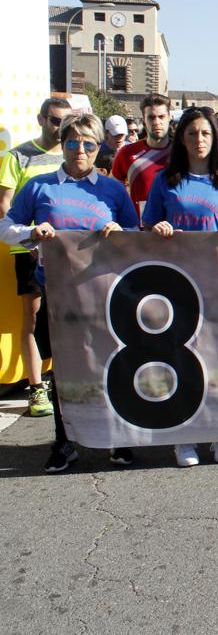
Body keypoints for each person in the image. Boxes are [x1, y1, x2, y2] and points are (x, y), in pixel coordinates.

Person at [0, 112, 139, 472]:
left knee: (108, 365)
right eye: (73, 142)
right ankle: (64, 440)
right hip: (57, 294)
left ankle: (117, 438)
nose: (80, 150)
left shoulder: (111, 189)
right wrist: (31, 232)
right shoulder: (40, 186)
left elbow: (136, 234)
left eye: (89, 144)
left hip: (103, 294)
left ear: (98, 148)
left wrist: (119, 232)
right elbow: (5, 226)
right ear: (62, 145)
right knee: (64, 372)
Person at [142, 107, 218, 466]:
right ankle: (184, 436)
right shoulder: (165, 180)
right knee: (181, 361)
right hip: (176, 285)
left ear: (215, 138)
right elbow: (147, 226)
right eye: (191, 134)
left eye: (205, 133)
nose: (199, 140)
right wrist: (158, 229)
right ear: (181, 139)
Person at [0, 97, 73, 417]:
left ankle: (66, 380)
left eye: (65, 123)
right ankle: (36, 388)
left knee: (67, 320)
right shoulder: (18, 156)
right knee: (33, 320)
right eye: (55, 121)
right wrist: (31, 235)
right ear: (41, 119)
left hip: (67, 254)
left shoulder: (73, 154)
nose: (60, 128)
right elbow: (4, 204)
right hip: (30, 250)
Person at [111, 94, 173, 221]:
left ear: (169, 118)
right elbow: (111, 190)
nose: (157, 122)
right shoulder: (127, 153)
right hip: (139, 232)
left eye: (161, 117)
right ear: (144, 120)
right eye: (151, 117)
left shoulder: (182, 152)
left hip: (176, 230)